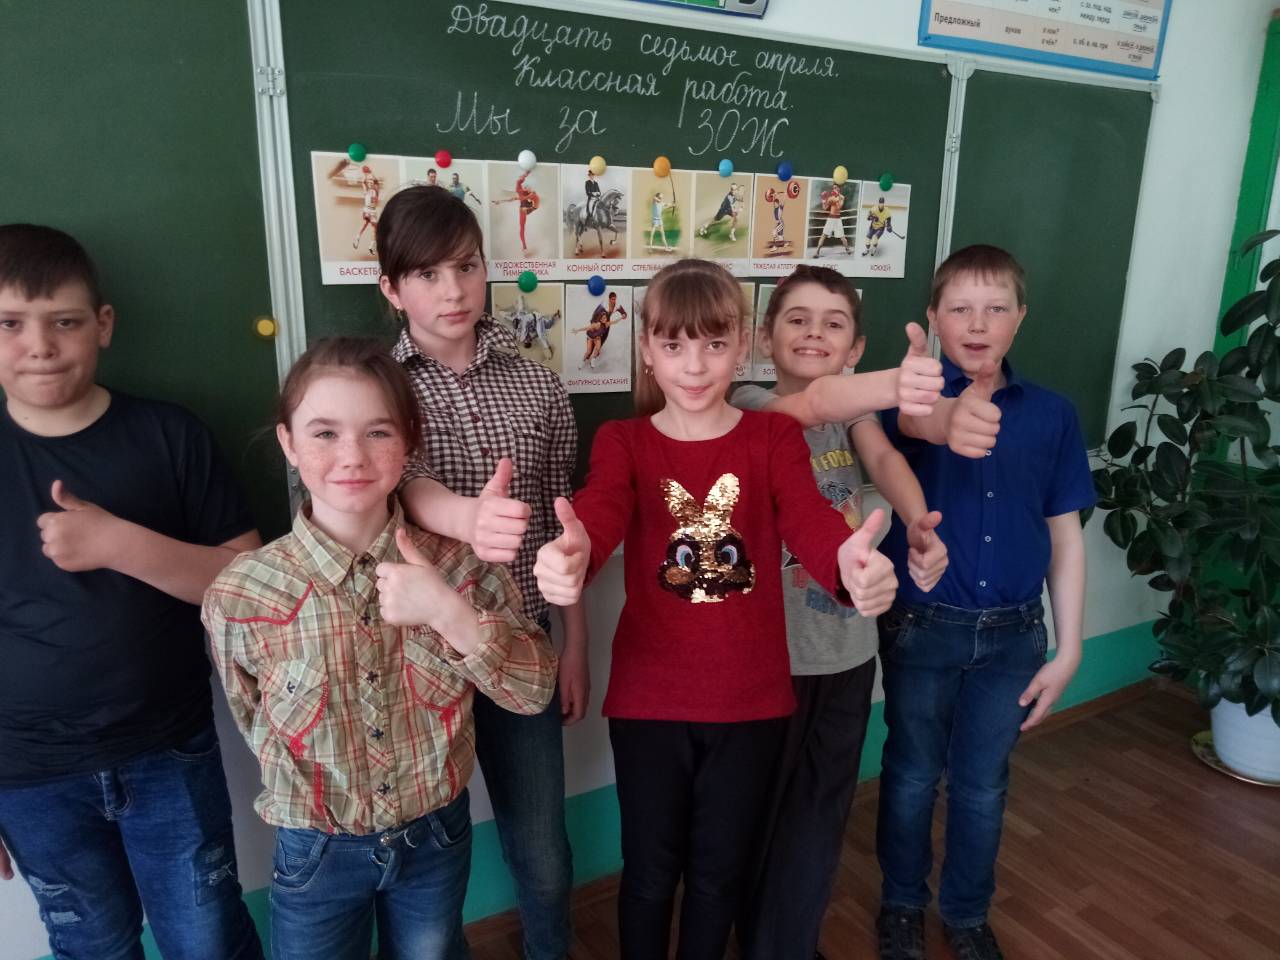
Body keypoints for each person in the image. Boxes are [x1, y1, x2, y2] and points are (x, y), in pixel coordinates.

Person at [532, 258, 900, 960]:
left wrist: (849, 566)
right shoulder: (624, 442)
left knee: (716, 878)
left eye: (713, 343)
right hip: (650, 702)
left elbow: (811, 522)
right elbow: (598, 514)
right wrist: (573, 553)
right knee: (648, 876)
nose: (695, 365)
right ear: (646, 348)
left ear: (742, 345)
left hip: (750, 703)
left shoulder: (772, 438)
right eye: (673, 345)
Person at [203, 337, 557, 960]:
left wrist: (449, 614)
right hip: (316, 850)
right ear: (288, 442)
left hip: (434, 840)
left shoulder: (461, 566)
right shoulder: (242, 592)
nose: (352, 456)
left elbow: (533, 692)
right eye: (324, 433)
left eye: (378, 432)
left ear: (409, 442)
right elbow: (253, 718)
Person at [0, 223, 263, 959]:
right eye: (10, 324)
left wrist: (121, 544)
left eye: (64, 321)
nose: (39, 345)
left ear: (104, 325)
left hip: (167, 752)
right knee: (91, 946)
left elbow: (251, 588)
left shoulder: (169, 435)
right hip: (28, 776)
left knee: (207, 939)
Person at [377, 185, 585, 960]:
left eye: (465, 266)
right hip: (414, 663)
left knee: (544, 855)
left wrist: (577, 645)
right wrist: (464, 517)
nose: (453, 290)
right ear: (391, 289)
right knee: (427, 871)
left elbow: (566, 528)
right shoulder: (376, 387)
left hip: (521, 645)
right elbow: (401, 486)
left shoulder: (538, 384)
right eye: (426, 274)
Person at [874, 245, 1094, 960]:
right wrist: (940, 415)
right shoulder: (906, 400)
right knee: (911, 774)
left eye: (996, 308)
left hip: (1013, 637)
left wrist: (1070, 647)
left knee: (981, 786)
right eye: (960, 309)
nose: (978, 324)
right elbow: (916, 425)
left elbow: (1065, 534)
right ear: (933, 318)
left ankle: (966, 913)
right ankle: (901, 904)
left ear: (1020, 317)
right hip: (923, 627)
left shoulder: (1053, 416)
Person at [731, 264, 952, 960]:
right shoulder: (746, 403)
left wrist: (919, 523)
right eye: (797, 319)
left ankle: (791, 942)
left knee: (821, 813)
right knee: (759, 815)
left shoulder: (855, 415)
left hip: (847, 652)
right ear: (764, 337)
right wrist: (894, 382)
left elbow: (883, 459)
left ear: (854, 346)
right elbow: (815, 403)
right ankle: (757, 938)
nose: (814, 334)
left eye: (834, 324)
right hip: (770, 661)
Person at [574, 290, 627, 370]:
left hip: (605, 326)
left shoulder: (617, 306)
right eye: (612, 299)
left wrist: (623, 315)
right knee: (589, 350)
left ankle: (593, 358)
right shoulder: (603, 305)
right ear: (609, 299)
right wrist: (579, 329)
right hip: (596, 326)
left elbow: (621, 315)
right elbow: (594, 315)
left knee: (599, 344)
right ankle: (586, 358)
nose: (614, 301)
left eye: (615, 299)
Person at [492, 171, 540, 254]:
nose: (525, 188)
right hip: (524, 207)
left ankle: (525, 248)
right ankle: (524, 247)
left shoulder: (533, 195)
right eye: (525, 187)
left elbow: (522, 198)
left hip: (531, 207)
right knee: (522, 227)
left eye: (527, 188)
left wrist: (525, 175)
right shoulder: (521, 191)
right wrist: (500, 201)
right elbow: (516, 197)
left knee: (523, 203)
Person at [814, 184, 851, 257]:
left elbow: (839, 207)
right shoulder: (830, 198)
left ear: (839, 188)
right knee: (824, 235)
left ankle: (847, 249)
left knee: (842, 237)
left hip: (838, 219)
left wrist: (837, 198)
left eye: (836, 187)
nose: (834, 189)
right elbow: (824, 208)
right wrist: (823, 200)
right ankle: (817, 252)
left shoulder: (842, 197)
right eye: (833, 188)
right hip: (830, 219)